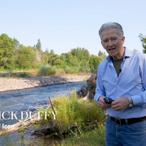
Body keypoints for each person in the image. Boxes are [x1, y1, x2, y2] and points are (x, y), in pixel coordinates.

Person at [94, 22, 146, 146]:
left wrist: (130, 101)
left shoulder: (141, 59)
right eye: (105, 40)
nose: (110, 43)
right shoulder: (102, 66)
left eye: (113, 39)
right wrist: (100, 99)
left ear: (123, 39)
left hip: (137, 128)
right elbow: (98, 92)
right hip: (111, 127)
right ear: (102, 44)